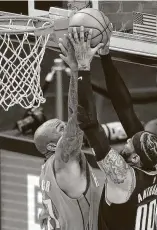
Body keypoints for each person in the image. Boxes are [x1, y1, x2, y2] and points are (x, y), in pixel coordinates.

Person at [62, 26, 157, 230]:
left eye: (130, 144)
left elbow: (90, 125)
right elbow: (125, 108)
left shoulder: (123, 177)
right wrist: (106, 56)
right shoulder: (153, 169)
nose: (127, 139)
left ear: (136, 159)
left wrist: (84, 67)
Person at [34, 36, 104, 230]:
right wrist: (79, 69)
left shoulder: (47, 171)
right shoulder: (63, 159)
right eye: (60, 129)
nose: (66, 126)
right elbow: (78, 116)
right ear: (51, 146)